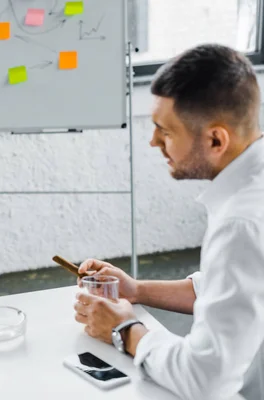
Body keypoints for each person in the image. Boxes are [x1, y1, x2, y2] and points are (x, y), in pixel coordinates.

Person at [73, 44, 264, 400]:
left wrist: (124, 329)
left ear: (215, 139)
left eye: (166, 131)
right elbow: (229, 291)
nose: (153, 141)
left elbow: (204, 379)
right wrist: (136, 290)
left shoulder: (241, 224)